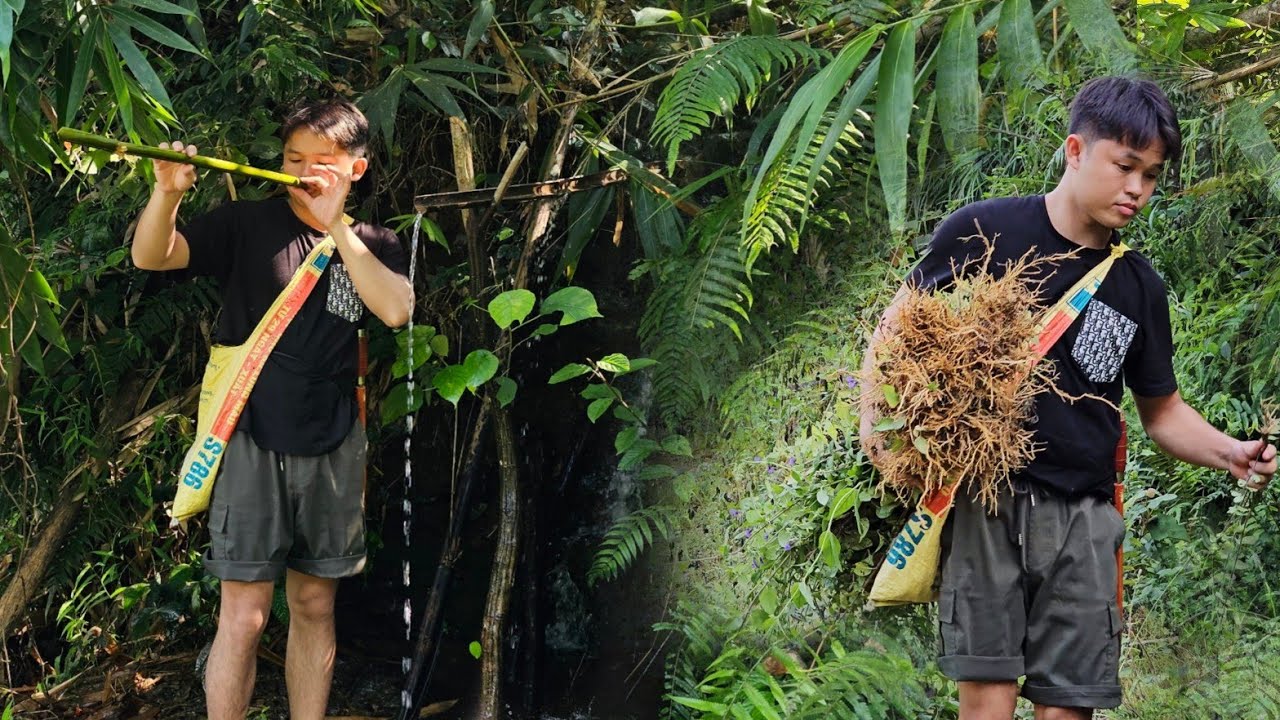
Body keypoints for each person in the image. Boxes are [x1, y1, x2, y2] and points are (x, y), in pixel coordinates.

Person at [859, 76, 1277, 718]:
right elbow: (895, 330)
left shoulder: (1138, 286)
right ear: (1076, 151)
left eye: (1153, 175)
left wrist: (1231, 453)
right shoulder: (984, 231)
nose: (1137, 188)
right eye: (1126, 166)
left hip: (1084, 519)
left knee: (1070, 708)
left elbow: (1161, 411)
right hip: (987, 501)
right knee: (987, 700)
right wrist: (878, 427)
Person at [131, 99, 412, 720]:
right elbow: (153, 256)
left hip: (335, 442)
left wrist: (336, 226)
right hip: (249, 437)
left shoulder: (375, 242)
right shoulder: (246, 225)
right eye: (292, 159)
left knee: (314, 604)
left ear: (356, 169)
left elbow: (395, 310)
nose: (303, 172)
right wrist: (167, 195)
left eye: (323, 162)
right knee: (246, 613)